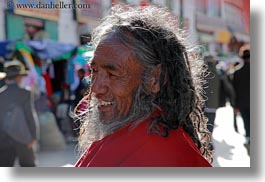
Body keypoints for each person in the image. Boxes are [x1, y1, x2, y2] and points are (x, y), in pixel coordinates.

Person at [74, 5, 212, 167]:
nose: (96, 88)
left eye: (112, 74)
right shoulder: (140, 138)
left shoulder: (150, 152)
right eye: (94, 71)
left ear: (154, 79)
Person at [0, 60, 39, 167]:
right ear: (18, 78)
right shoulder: (25, 93)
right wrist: (34, 137)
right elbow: (30, 115)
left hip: (3, 140)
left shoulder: (1, 95)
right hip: (23, 138)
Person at [232, 44, 250, 154]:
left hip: (242, 102)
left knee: (246, 120)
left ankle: (248, 136)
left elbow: (234, 90)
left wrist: (235, 105)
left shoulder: (237, 72)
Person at [203, 54, 220, 135]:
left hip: (202, 104)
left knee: (202, 124)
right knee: (210, 124)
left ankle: (205, 141)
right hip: (213, 104)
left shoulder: (199, 73)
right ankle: (208, 140)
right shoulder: (218, 73)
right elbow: (227, 87)